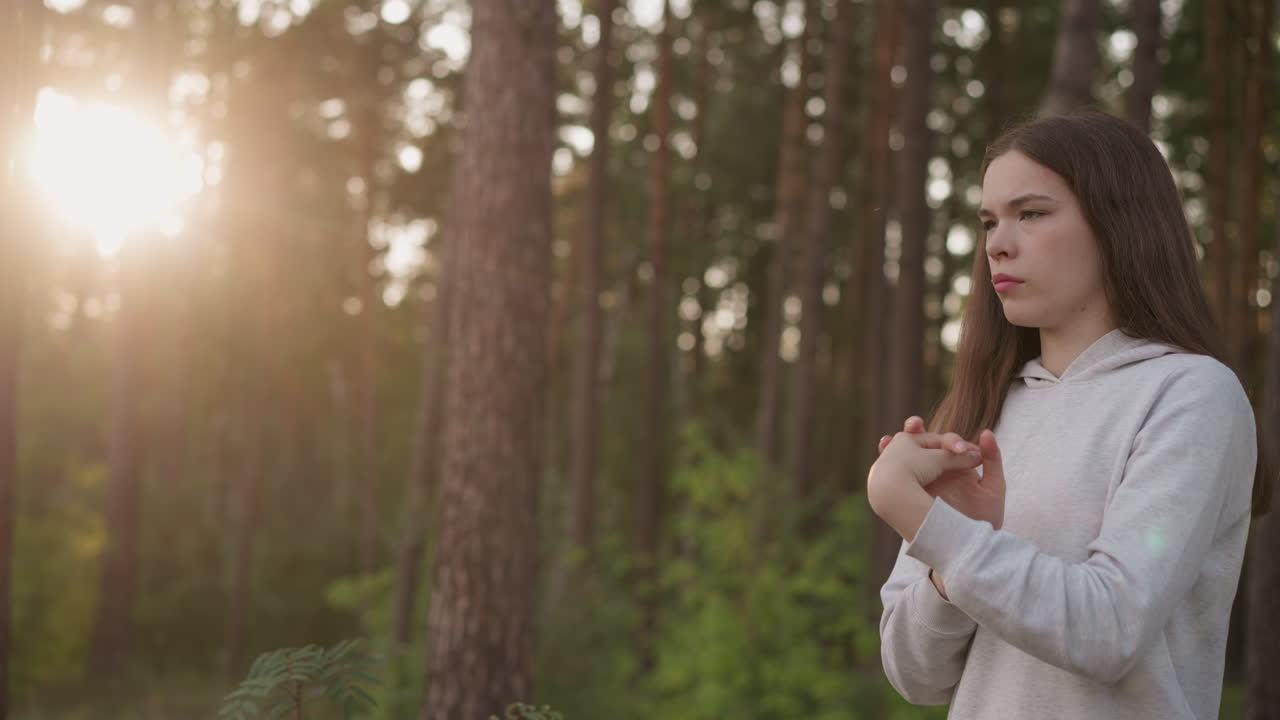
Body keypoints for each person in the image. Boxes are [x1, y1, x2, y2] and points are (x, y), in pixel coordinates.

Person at [866, 110, 1270, 719]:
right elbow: (915, 677)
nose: (997, 243)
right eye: (989, 221)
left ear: (1119, 223)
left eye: (1031, 213)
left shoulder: (1190, 394)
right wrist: (951, 562)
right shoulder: (980, 411)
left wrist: (930, 526)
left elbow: (1109, 628)